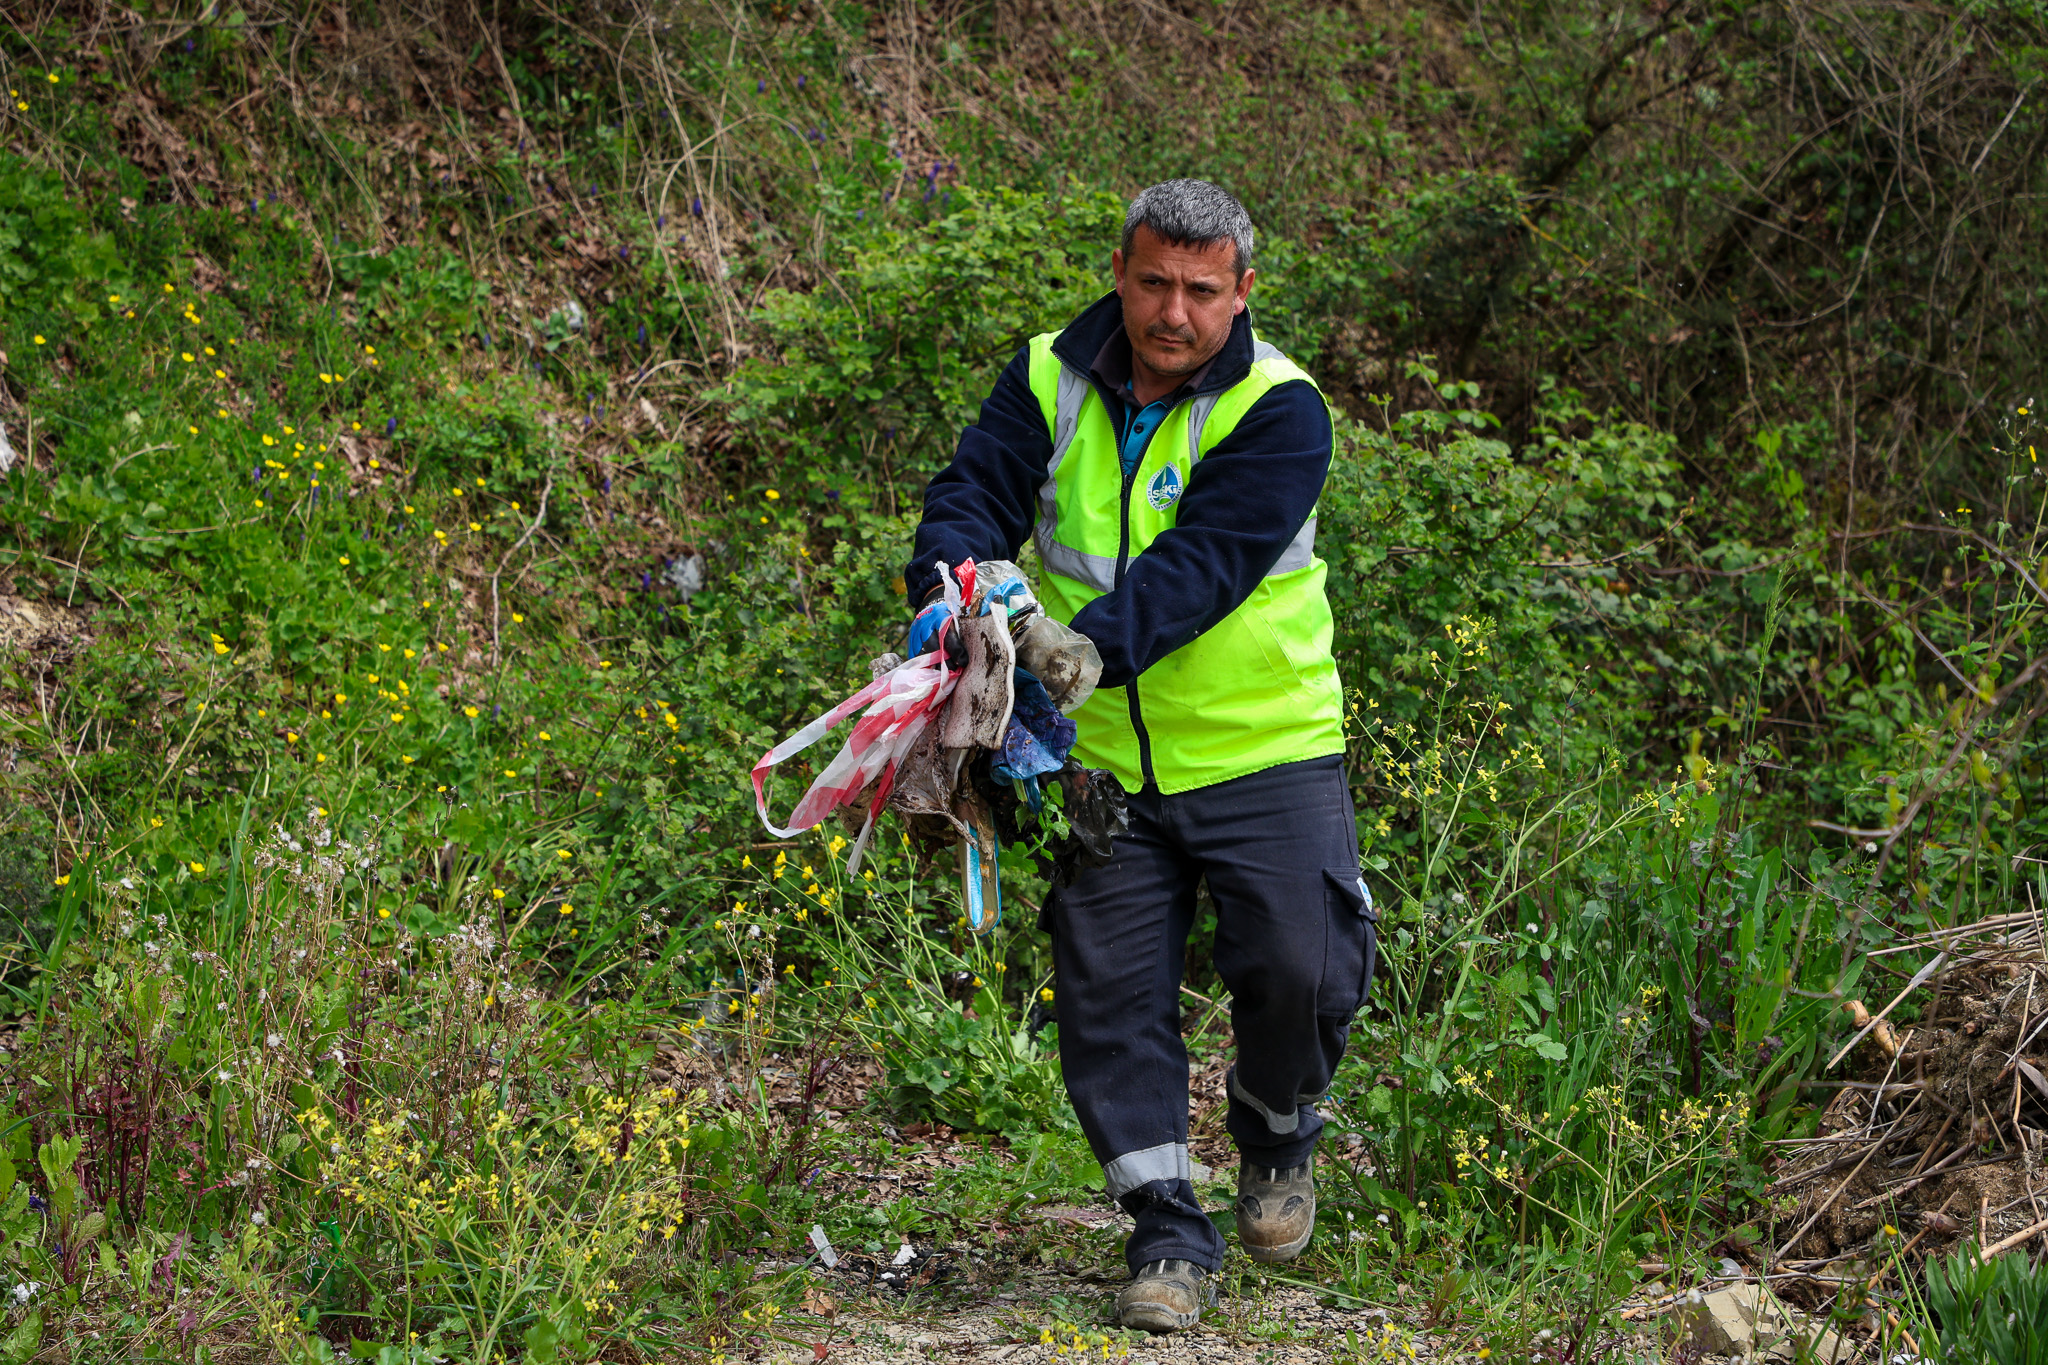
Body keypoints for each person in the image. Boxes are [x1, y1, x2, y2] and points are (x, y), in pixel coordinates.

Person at [904, 179, 1376, 1332]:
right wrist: (967, 585)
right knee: (1109, 1004)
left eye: (1202, 292)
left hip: (1264, 748)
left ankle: (1272, 1132)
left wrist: (1080, 649)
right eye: (1154, 282)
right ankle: (1166, 1231)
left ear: (1242, 292)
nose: (1174, 313)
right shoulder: (1044, 376)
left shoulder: (1281, 407)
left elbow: (1204, 567)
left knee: (1305, 971)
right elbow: (968, 494)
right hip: (1099, 761)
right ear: (1119, 271)